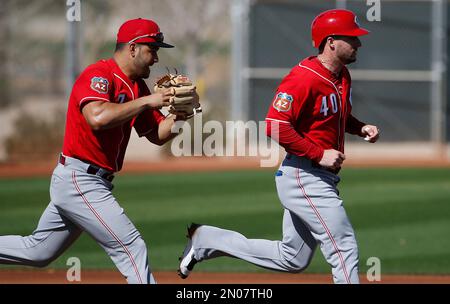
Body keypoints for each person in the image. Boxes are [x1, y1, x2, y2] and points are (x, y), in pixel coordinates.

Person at [177, 9, 380, 284]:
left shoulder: (341, 75)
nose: (359, 43)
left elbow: (333, 115)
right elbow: (275, 125)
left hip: (316, 176)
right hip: (304, 176)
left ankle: (206, 240)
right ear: (331, 41)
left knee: (292, 257)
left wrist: (360, 127)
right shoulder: (303, 78)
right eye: (352, 38)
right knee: (343, 246)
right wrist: (319, 154)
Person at [0, 18, 198, 284]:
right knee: (131, 247)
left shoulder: (137, 86)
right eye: (152, 49)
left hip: (90, 182)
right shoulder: (100, 75)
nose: (156, 58)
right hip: (79, 178)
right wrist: (148, 101)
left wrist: (182, 116)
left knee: (38, 251)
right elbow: (97, 117)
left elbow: (157, 135)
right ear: (133, 48)